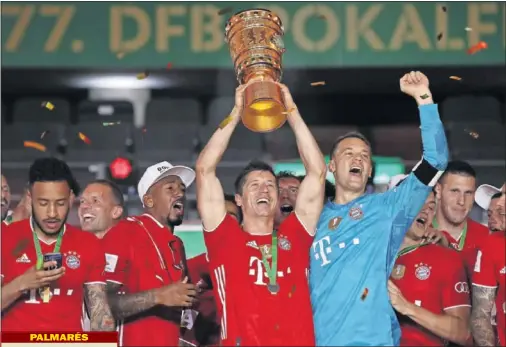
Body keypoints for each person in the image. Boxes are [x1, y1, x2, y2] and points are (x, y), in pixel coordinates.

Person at [309, 71, 449, 346]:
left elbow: (436, 161)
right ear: (332, 166)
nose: (357, 159)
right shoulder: (311, 218)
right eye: (348, 153)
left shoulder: (389, 206)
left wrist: (424, 97)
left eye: (364, 156)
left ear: (370, 169)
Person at [196, 82, 326, 346]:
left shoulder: (296, 236)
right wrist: (236, 113)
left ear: (278, 197)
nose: (263, 189)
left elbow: (318, 172)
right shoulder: (224, 238)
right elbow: (204, 169)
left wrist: (291, 111)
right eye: (254, 185)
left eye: (269, 185)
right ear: (240, 200)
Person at [0, 157, 114, 331]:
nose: (52, 213)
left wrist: (105, 333)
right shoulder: (5, 236)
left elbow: (100, 315)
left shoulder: (88, 244)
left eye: (60, 203)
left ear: (70, 198)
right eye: (43, 203)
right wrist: (21, 283)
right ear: (30, 198)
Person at [100, 161, 198, 347]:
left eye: (182, 189)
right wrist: (157, 296)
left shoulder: (177, 245)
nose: (180, 194)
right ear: (149, 200)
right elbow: (99, 304)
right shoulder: (126, 231)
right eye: (170, 188)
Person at [388, 187, 471, 346]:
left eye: (431, 207)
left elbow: (463, 332)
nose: (426, 211)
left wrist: (406, 307)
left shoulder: (446, 258)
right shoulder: (374, 254)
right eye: (419, 204)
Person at [182, 194, 241, 346]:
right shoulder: (186, 270)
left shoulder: (253, 271)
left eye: (231, 216)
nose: (223, 222)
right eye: (217, 216)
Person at [78, 179, 125, 331]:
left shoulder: (129, 249)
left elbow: (105, 301)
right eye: (82, 201)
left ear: (116, 211)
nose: (84, 206)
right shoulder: (73, 251)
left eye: (95, 200)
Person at [433, 161, 490, 277]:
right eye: (455, 191)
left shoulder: (487, 239)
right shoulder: (416, 236)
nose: (461, 201)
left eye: (468, 193)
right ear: (438, 190)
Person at [471, 192, 505, 346]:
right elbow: (480, 316)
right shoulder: (490, 246)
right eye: (490, 213)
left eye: (501, 211)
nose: (494, 219)